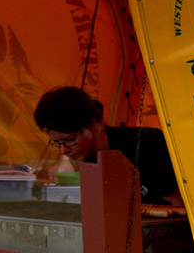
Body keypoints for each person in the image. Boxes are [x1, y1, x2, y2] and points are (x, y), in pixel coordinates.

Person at [34, 86, 182, 206]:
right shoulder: (85, 158)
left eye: (70, 140)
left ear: (92, 124)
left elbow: (179, 206)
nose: (63, 150)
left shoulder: (146, 145)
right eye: (57, 143)